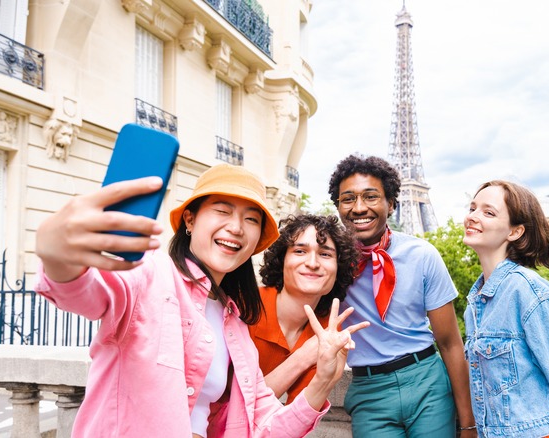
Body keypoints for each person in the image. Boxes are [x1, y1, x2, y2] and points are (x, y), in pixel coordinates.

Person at [34, 163, 361, 437]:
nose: (236, 227)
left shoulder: (235, 325)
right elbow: (84, 293)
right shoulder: (149, 273)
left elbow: (263, 428)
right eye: (222, 211)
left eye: (251, 219)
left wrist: (321, 381)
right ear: (189, 220)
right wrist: (57, 255)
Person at [327, 154, 476, 438]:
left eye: (371, 197)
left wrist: (468, 423)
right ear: (338, 206)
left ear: (391, 204)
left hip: (427, 383)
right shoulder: (329, 261)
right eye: (348, 199)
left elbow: (450, 343)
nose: (359, 208)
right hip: (369, 393)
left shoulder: (422, 255)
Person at [462, 180, 549, 437]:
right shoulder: (476, 301)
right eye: (472, 208)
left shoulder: (530, 293)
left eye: (488, 212)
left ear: (515, 232)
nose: (473, 217)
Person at [250, 214, 363, 403]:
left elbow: (295, 421)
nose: (312, 263)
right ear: (282, 260)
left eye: (325, 254)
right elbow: (238, 407)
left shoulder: (328, 329)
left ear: (338, 269)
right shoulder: (244, 308)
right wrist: (302, 358)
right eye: (300, 251)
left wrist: (326, 380)